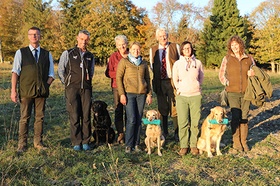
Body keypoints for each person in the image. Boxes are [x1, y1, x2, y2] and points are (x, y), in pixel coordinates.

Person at [11, 26, 55, 152]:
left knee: (39, 117)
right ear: (28, 36)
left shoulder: (47, 54)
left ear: (40, 36)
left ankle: (38, 142)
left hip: (41, 92)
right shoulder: (21, 52)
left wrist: (45, 85)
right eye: (31, 34)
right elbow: (15, 72)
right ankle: (22, 144)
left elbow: (51, 74)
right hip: (26, 91)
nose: (34, 36)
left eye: (36, 34)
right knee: (24, 118)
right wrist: (13, 90)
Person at [58, 30, 95, 151]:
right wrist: (67, 83)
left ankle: (86, 141)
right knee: (74, 115)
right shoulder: (68, 53)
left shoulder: (90, 56)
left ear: (88, 40)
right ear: (77, 38)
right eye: (81, 39)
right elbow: (61, 70)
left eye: (86, 40)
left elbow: (92, 71)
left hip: (86, 89)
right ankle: (76, 141)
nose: (83, 42)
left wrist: (86, 82)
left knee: (86, 115)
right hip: (72, 88)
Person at [219, 35, 255, 154]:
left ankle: (243, 141)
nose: (234, 47)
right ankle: (236, 142)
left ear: (240, 45)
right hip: (232, 92)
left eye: (236, 44)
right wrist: (227, 83)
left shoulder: (249, 58)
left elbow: (256, 72)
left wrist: (252, 73)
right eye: (232, 45)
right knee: (235, 116)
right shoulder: (227, 58)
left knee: (244, 117)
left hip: (246, 92)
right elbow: (221, 74)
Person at [116, 41, 152, 153]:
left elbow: (147, 79)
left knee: (138, 119)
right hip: (129, 94)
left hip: (141, 94)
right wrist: (122, 94)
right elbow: (119, 78)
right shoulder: (124, 62)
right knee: (131, 119)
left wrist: (149, 94)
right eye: (133, 49)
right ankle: (128, 144)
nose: (136, 51)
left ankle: (136, 144)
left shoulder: (143, 63)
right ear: (130, 50)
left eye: (138, 49)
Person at [172, 41, 204, 156]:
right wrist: (179, 88)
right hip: (182, 96)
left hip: (195, 95)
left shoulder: (198, 63)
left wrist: (197, 87)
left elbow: (201, 77)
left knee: (195, 122)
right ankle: (184, 145)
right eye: (185, 48)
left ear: (192, 49)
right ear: (182, 50)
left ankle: (193, 145)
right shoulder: (177, 64)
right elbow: (174, 79)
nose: (187, 50)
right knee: (183, 122)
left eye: (189, 48)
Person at [150, 28, 180, 141]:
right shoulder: (153, 50)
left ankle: (177, 133)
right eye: (161, 36)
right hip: (160, 82)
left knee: (175, 107)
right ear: (157, 37)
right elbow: (153, 67)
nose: (163, 38)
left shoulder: (175, 47)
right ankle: (165, 132)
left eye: (165, 36)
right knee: (162, 108)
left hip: (173, 81)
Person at [105, 35, 129, 144]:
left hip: (130, 87)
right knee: (118, 109)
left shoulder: (131, 54)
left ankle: (129, 133)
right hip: (116, 86)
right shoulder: (113, 57)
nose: (122, 46)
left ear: (127, 43)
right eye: (119, 45)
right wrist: (120, 74)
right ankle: (120, 133)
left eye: (123, 44)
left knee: (129, 110)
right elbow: (108, 72)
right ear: (116, 46)